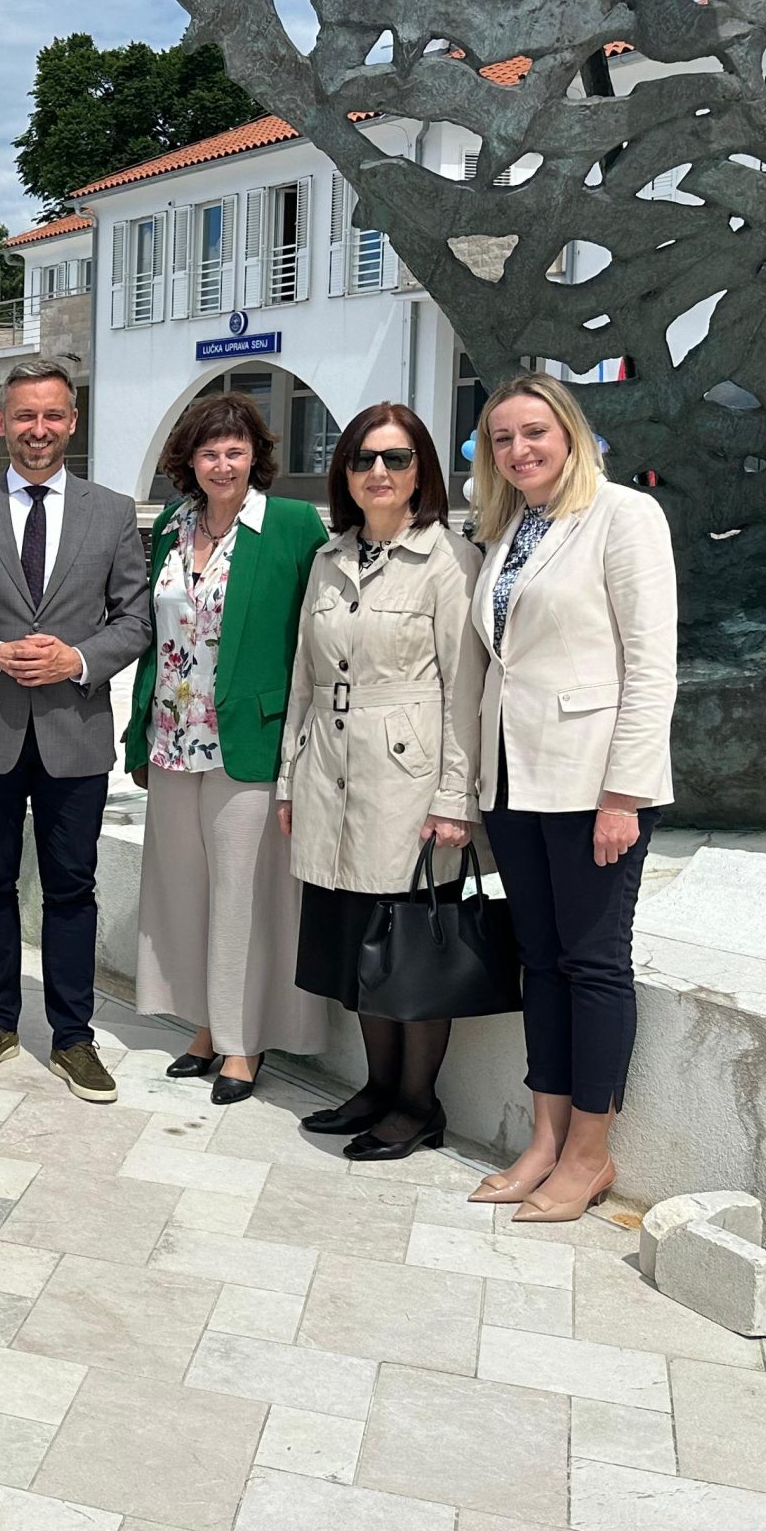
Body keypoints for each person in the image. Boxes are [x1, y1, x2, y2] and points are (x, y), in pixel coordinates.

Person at [464, 373, 676, 1222]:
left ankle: (590, 1154)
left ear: (571, 435)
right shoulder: (509, 528)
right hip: (516, 777)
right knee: (541, 960)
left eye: (534, 433)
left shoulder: (624, 516)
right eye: (502, 438)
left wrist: (624, 793)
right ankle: (545, 1140)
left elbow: (651, 666)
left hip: (594, 783)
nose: (519, 450)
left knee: (593, 962)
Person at [0, 359, 150, 1100]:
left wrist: (76, 659)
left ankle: (73, 1036)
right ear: (1, 423)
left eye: (52, 415)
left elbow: (135, 620)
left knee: (72, 887)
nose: (38, 429)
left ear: (72, 422)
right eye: (24, 415)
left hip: (74, 729)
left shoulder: (111, 512)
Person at [276, 403, 487, 1159]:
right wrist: (289, 778)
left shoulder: (449, 560)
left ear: (421, 470)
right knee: (358, 940)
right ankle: (378, 1084)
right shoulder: (330, 558)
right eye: (363, 458)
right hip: (331, 770)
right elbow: (305, 678)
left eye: (396, 458)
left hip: (409, 779)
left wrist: (454, 798)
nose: (378, 472)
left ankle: (418, 1103)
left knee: (411, 945)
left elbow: (466, 690)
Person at [127, 390, 329, 1103]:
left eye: (234, 451)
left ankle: (243, 1045)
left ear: (255, 457)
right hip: (171, 737)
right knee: (185, 890)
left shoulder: (292, 524)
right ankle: (206, 1027)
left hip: (250, 738)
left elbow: (315, 634)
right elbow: (155, 633)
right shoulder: (171, 527)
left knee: (243, 896)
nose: (222, 464)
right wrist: (138, 729)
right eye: (208, 452)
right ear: (188, 461)